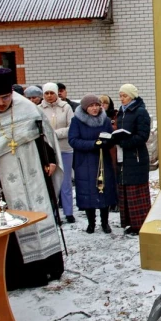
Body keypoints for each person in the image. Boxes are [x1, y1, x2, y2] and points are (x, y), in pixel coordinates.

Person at [0, 68, 64, 291]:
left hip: (34, 173)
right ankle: (20, 278)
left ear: (11, 93)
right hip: (2, 181)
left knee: (41, 216)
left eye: (5, 97)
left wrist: (51, 159)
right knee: (10, 224)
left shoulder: (27, 108)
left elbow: (42, 134)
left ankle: (50, 268)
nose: (1, 103)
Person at [68, 94, 117, 233]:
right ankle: (91, 223)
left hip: (103, 160)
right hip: (85, 162)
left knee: (104, 191)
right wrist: (93, 144)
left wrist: (109, 141)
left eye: (96, 105)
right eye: (91, 106)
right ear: (85, 108)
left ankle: (105, 222)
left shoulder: (105, 120)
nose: (95, 108)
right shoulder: (77, 121)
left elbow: (110, 137)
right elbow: (73, 140)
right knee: (88, 192)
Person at [115, 84, 151, 235]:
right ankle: (129, 222)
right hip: (124, 156)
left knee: (136, 191)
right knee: (125, 189)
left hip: (136, 156)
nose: (122, 99)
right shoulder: (121, 112)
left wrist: (125, 142)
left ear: (132, 96)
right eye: (121, 96)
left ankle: (140, 223)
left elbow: (143, 135)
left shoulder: (140, 112)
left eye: (125, 96)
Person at [40, 82, 75, 223]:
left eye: (52, 93)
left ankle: (68, 212)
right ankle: (52, 212)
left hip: (64, 148)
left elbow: (71, 127)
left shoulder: (65, 107)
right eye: (46, 93)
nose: (49, 96)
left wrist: (53, 134)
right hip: (48, 150)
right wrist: (48, 136)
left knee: (65, 181)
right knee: (50, 182)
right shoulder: (39, 109)